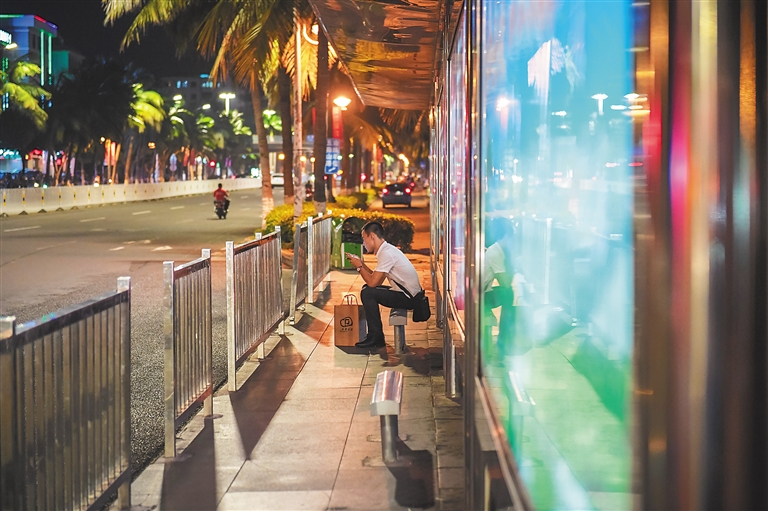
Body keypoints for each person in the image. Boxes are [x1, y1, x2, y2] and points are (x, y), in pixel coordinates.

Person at [345, 221, 421, 349]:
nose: (363, 243)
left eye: (364, 239)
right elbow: (376, 280)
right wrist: (361, 264)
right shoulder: (386, 250)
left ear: (372, 236)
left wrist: (359, 267)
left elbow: (372, 282)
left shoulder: (386, 253)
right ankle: (375, 336)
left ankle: (376, 337)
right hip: (408, 294)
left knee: (367, 292)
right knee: (367, 290)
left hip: (409, 297)